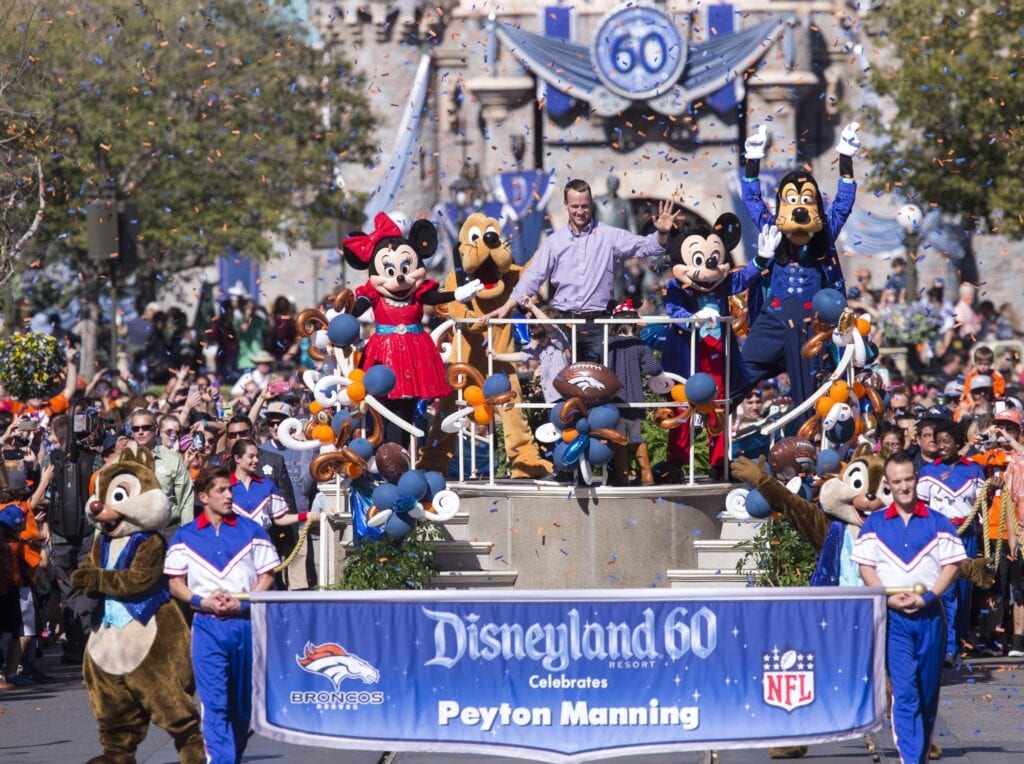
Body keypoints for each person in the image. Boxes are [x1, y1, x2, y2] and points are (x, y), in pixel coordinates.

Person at [851, 452, 966, 764]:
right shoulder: (873, 524)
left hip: (930, 616)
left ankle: (919, 754)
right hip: (893, 619)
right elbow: (865, 567)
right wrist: (887, 597)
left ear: (916, 480)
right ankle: (911, 760)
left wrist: (927, 598)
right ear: (889, 484)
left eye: (908, 480)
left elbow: (953, 566)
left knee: (927, 695)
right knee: (904, 692)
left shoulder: (937, 521)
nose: (903, 486)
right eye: (897, 481)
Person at [486, 179, 679, 361]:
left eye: (585, 206)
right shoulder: (555, 241)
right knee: (561, 382)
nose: (580, 211)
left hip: (598, 324)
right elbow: (533, 277)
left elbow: (646, 246)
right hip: (563, 323)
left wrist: (662, 233)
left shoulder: (609, 235)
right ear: (565, 205)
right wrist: (508, 305)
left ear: (591, 205)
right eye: (574, 206)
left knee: (603, 382)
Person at [164, 468, 280, 764]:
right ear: (203, 497)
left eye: (229, 489)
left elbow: (268, 576)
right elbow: (175, 583)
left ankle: (231, 756)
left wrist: (242, 603)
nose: (229, 495)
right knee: (215, 702)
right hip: (207, 627)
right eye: (221, 490)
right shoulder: (185, 534)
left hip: (245, 625)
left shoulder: (251, 530)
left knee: (242, 706)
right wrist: (202, 601)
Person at [917, 419, 985, 664]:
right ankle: (946, 647)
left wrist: (995, 487)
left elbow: (982, 505)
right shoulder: (928, 472)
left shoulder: (974, 470)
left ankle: (957, 642)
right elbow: (922, 510)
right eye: (938, 442)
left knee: (964, 594)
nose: (942, 446)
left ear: (959, 443)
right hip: (941, 538)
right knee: (946, 592)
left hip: (967, 536)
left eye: (947, 441)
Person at [606, 299, 662, 485]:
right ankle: (646, 475)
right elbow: (653, 369)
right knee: (636, 435)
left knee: (619, 435)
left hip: (615, 398)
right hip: (636, 398)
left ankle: (622, 475)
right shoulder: (639, 345)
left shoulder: (608, 345)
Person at [129, 409, 194, 539]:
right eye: (136, 429)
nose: (140, 432)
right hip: (134, 531)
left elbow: (185, 499)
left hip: (168, 530)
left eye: (145, 428)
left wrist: (188, 535)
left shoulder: (173, 459)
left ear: (156, 430)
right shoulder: (124, 460)